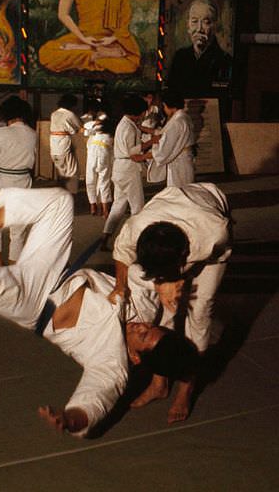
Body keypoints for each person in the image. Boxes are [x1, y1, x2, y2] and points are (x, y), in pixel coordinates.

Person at [0, 187, 197, 437]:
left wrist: (72, 419)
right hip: (54, 272)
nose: (140, 326)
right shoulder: (145, 309)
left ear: (135, 357)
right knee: (59, 203)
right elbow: (142, 270)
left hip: (35, 307)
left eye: (143, 336)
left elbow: (98, 399)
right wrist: (165, 281)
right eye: (150, 326)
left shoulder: (111, 362)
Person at [107, 182, 232, 424]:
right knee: (166, 310)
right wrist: (122, 287)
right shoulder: (137, 227)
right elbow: (122, 254)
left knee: (200, 311)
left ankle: (186, 388)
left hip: (210, 212)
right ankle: (159, 383)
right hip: (171, 204)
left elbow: (210, 256)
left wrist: (182, 278)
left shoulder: (215, 233)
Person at [37, 0, 140, 75]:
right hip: (82, 36)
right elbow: (62, 14)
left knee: (130, 62)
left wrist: (110, 39)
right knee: (47, 53)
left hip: (110, 40)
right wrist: (83, 38)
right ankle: (96, 53)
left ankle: (92, 51)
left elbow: (124, 22)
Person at [0, 96, 38, 265]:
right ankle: (14, 268)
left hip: (0, 181)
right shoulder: (32, 134)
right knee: (18, 229)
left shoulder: (0, 133)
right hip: (23, 180)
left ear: (6, 114)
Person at [100, 94, 148, 249]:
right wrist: (149, 144)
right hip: (128, 168)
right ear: (138, 112)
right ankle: (135, 242)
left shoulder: (125, 123)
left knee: (118, 205)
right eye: (143, 112)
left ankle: (105, 238)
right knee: (137, 207)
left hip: (120, 169)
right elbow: (132, 152)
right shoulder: (128, 127)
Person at [167, 0, 232, 97]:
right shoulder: (180, 57)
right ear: (188, 26)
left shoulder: (224, 60)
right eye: (194, 21)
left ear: (215, 26)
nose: (199, 29)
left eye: (206, 22)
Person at [136, 91, 196, 187]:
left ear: (167, 105)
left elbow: (165, 148)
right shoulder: (184, 117)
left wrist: (143, 156)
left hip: (179, 162)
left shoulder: (177, 121)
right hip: (184, 159)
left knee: (178, 192)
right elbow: (163, 134)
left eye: (164, 106)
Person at [83, 103, 114, 218]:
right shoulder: (107, 131)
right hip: (102, 153)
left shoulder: (97, 128)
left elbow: (86, 130)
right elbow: (86, 130)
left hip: (96, 153)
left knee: (92, 180)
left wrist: (96, 122)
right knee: (103, 181)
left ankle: (95, 206)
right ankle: (102, 209)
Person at [50, 93, 83, 194]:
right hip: (64, 144)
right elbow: (79, 127)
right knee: (72, 171)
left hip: (54, 145)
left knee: (61, 172)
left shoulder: (54, 113)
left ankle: (61, 193)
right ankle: (71, 194)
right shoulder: (70, 114)